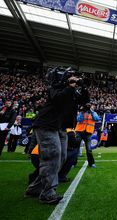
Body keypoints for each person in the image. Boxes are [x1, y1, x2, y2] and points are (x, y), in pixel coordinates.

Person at [25, 70, 88, 205]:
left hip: (60, 127)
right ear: (65, 78)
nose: (77, 79)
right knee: (53, 155)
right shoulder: (56, 88)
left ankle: (35, 188)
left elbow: (85, 100)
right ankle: (47, 193)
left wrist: (83, 87)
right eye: (74, 77)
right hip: (47, 124)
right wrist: (70, 86)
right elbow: (59, 100)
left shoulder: (72, 91)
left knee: (62, 157)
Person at [75, 103, 100, 168]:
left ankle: (91, 163)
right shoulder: (81, 112)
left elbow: (97, 119)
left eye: (90, 105)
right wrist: (82, 112)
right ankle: (72, 163)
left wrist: (91, 112)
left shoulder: (94, 113)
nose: (89, 107)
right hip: (79, 131)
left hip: (88, 132)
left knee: (89, 149)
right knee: (76, 148)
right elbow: (79, 119)